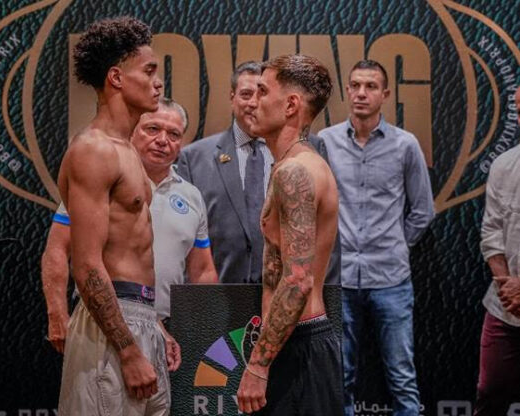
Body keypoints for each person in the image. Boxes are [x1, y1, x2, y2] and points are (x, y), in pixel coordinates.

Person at [55, 17, 171, 415]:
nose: (158, 82)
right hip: (112, 329)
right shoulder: (94, 150)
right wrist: (128, 350)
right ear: (117, 78)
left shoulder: (127, 149)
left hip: (141, 317)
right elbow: (87, 266)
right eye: (149, 71)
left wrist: (153, 326)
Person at [41, 98, 218, 356]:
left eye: (174, 134)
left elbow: (202, 271)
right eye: (153, 129)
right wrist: (56, 313)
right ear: (133, 131)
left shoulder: (191, 196)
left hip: (167, 331)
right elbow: (57, 249)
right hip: (103, 320)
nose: (162, 140)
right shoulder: (101, 177)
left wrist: (206, 333)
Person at [319, 60, 435, 416]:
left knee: (401, 375)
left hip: (391, 279)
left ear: (385, 94)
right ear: (346, 91)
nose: (361, 93)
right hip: (340, 279)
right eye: (355, 85)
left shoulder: (405, 145)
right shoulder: (325, 142)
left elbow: (423, 210)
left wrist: (396, 244)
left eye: (370, 86)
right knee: (340, 376)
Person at [236, 54, 342, 415]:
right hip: (293, 342)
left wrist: (258, 365)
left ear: (291, 105)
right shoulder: (292, 165)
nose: (253, 101)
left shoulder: (296, 171)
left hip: (300, 346)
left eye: (263, 91)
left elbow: (297, 279)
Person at [176, 62, 270, 284]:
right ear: (232, 97)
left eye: (262, 94)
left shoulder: (298, 153)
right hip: (217, 292)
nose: (254, 102)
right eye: (246, 94)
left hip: (281, 294)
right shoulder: (193, 158)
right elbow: (184, 237)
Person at [475, 85, 520, 415]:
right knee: (490, 392)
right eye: (519, 109)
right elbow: (491, 232)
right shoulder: (504, 165)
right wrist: (507, 288)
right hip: (506, 308)